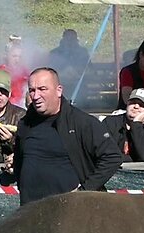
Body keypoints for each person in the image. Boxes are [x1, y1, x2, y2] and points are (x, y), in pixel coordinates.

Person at [8, 67, 121, 206]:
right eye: (32, 90)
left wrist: (84, 191)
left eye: (42, 89)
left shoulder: (81, 122)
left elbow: (112, 157)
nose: (36, 96)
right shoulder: (25, 123)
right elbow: (20, 159)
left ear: (59, 90)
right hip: (30, 211)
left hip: (70, 212)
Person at [102, 88, 144, 163]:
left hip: (141, 173)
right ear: (127, 103)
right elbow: (103, 153)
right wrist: (132, 160)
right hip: (112, 170)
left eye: (142, 105)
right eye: (133, 102)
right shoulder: (110, 123)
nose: (136, 106)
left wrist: (136, 124)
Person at [0, 39, 30, 108]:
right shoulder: (0, 71)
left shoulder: (24, 71)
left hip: (23, 106)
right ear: (7, 56)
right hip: (6, 108)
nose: (17, 60)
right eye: (14, 56)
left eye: (20, 57)